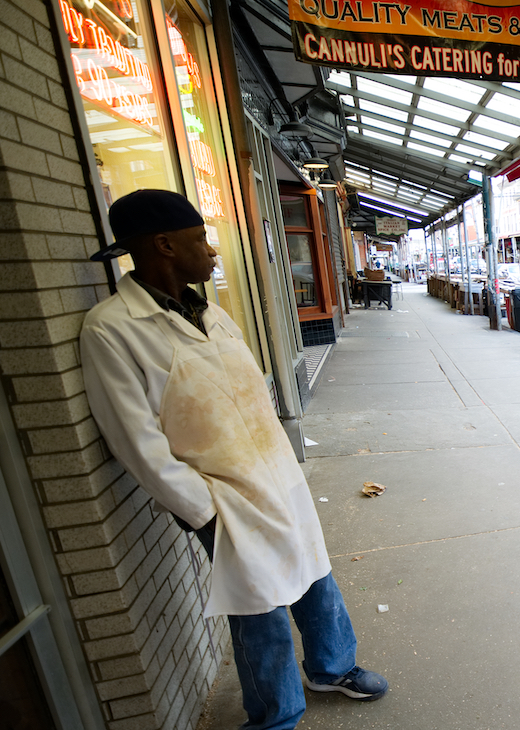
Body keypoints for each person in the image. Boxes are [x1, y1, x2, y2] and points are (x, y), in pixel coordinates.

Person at [80, 190, 387, 730]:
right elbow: (135, 440)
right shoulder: (113, 328)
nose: (213, 252)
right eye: (201, 239)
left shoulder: (214, 314)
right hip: (223, 496)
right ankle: (275, 716)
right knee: (258, 607)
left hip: (277, 476)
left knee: (315, 575)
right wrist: (204, 509)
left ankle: (331, 667)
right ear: (164, 245)